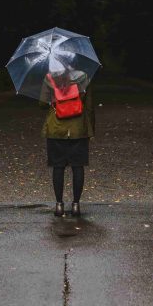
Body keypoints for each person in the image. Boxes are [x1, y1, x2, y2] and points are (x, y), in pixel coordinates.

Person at [41, 59, 95, 217]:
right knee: (78, 167)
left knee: (58, 167)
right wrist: (90, 129)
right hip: (79, 129)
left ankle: (59, 205)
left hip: (56, 130)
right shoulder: (84, 78)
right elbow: (90, 107)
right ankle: (76, 205)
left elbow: (42, 104)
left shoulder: (49, 78)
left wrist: (53, 100)